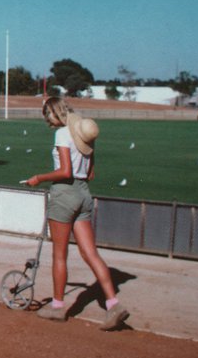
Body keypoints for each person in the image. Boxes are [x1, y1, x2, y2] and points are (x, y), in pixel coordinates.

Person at [24, 96, 130, 331]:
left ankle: (57, 307)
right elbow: (89, 174)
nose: (47, 120)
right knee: (90, 253)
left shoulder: (62, 134)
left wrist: (38, 178)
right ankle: (113, 304)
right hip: (84, 194)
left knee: (59, 254)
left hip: (64, 194)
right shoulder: (84, 135)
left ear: (54, 113)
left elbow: (64, 171)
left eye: (48, 115)